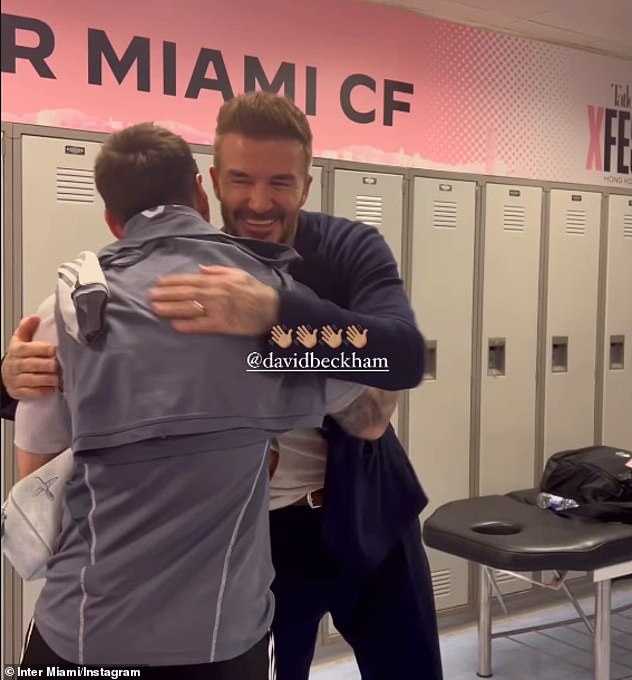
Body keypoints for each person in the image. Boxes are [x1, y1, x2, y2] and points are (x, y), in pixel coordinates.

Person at [3, 92, 444, 680]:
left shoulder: (347, 248)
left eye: (281, 183)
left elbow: (396, 370)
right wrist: (9, 379)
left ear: (307, 184)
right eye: (241, 180)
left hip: (364, 515)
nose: (259, 201)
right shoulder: (184, 283)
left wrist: (277, 312)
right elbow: (91, 383)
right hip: (253, 542)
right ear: (209, 185)